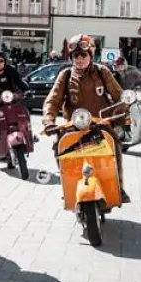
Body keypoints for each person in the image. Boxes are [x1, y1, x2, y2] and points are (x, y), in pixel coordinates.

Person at [41, 34, 129, 203]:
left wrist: (121, 113)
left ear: (91, 55)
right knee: (57, 146)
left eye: (83, 55)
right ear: (71, 57)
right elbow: (52, 100)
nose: (79, 59)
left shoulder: (102, 72)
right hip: (74, 125)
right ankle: (67, 184)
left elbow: (119, 95)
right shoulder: (65, 75)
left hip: (100, 124)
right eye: (76, 56)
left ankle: (119, 186)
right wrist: (49, 121)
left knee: (115, 145)